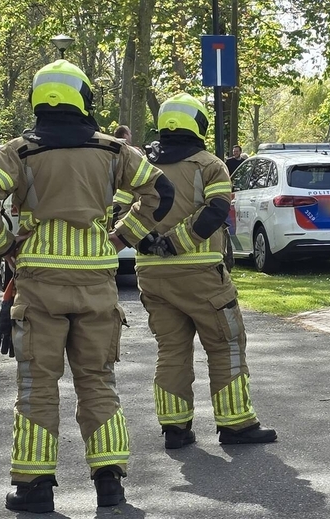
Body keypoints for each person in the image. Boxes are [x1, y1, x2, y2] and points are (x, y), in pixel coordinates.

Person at [0, 59, 175, 513]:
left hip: (39, 282)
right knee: (98, 381)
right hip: (97, 280)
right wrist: (123, 235)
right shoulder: (115, 151)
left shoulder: (18, 152)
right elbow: (162, 192)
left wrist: (4, 245)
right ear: (82, 97)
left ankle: (34, 489)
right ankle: (110, 485)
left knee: (38, 385)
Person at [133, 93, 276, 450]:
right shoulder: (209, 164)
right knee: (225, 344)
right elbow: (215, 211)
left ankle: (175, 429)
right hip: (200, 276)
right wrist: (176, 243)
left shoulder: (142, 167)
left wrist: (149, 242)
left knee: (171, 350)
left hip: (151, 277)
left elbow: (125, 212)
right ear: (198, 124)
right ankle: (236, 425)